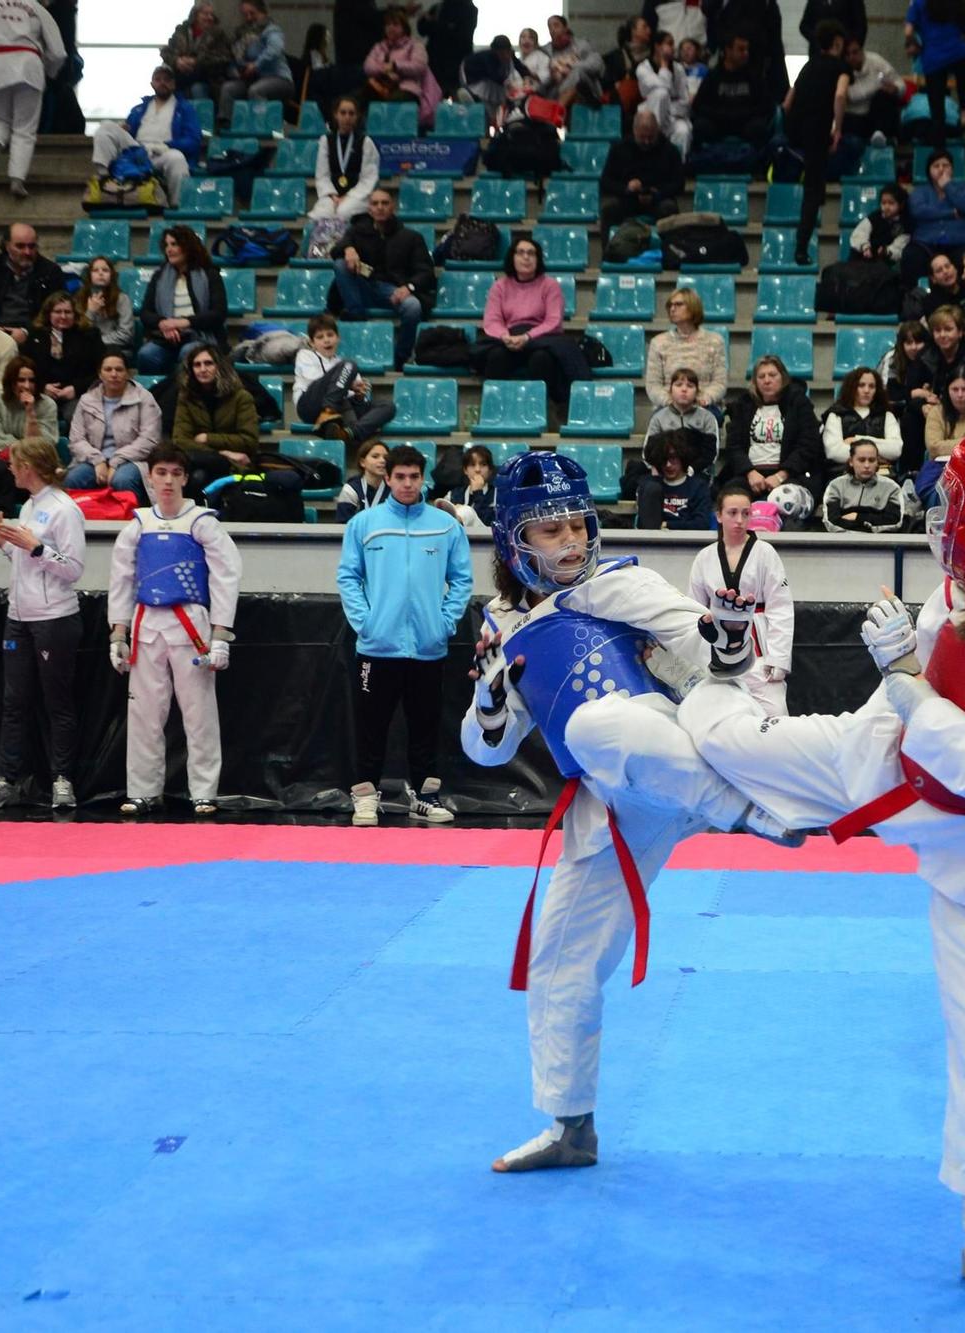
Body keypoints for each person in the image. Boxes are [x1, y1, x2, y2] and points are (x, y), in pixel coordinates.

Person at [679, 418, 965, 1313]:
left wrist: (901, 674)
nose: (945, 517)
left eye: (959, 502)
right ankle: (711, 755)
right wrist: (901, 684)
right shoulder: (960, 591)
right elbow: (924, 699)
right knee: (719, 735)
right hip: (883, 761)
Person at [464, 450, 796, 1176]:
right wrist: (490, 700)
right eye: (551, 531)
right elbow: (488, 752)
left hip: (667, 746)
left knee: (593, 726)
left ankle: (753, 810)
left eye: (578, 525)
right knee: (560, 960)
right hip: (614, 798)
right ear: (515, 541)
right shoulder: (503, 624)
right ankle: (570, 1124)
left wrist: (729, 634)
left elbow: (698, 638)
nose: (573, 542)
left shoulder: (621, 583)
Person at [337, 443, 471, 826]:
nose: (408, 484)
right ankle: (364, 795)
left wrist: (443, 623)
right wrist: (366, 622)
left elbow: (461, 580)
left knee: (425, 726)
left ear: (423, 478)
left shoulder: (445, 526)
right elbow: (348, 576)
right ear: (388, 477)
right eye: (400, 477)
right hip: (377, 647)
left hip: (428, 648)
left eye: (414, 477)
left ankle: (425, 797)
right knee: (370, 726)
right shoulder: (364, 524)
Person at [107, 444, 241, 816]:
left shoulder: (201, 522)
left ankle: (204, 792)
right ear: (150, 476)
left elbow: (226, 577)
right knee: (144, 713)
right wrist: (117, 634)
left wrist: (221, 635)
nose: (167, 480)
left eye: (175, 473)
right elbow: (121, 580)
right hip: (146, 621)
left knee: (199, 713)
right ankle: (143, 791)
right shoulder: (137, 525)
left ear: (185, 478)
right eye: (161, 473)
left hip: (191, 624)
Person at [0, 437, 85, 811]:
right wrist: (2, 543)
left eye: (14, 463)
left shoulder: (64, 509)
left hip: (54, 620)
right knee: (14, 702)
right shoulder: (31, 505)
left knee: (57, 703)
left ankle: (62, 780)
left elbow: (73, 569)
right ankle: (5, 779)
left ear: (29, 466)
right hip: (19, 617)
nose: (9, 470)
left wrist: (36, 547)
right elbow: (27, 561)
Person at [688, 482, 795, 715]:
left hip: (760, 652)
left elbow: (781, 608)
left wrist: (778, 658)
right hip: (717, 650)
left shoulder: (765, 552)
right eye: (732, 513)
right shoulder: (704, 557)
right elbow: (694, 611)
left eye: (746, 513)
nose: (739, 520)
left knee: (776, 715)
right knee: (716, 715)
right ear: (718, 516)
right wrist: (694, 661)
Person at [0, 0, 65, 198]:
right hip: (29, 65)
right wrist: (49, 72)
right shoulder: (37, 9)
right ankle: (17, 180)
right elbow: (58, 52)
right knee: (24, 128)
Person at [332, 187, 434, 366]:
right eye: (375, 203)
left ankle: (400, 358)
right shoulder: (357, 231)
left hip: (394, 291)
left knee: (413, 307)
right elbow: (336, 250)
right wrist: (348, 248)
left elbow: (426, 272)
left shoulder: (411, 237)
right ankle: (356, 317)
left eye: (385, 203)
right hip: (363, 287)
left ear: (393, 207)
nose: (380, 207)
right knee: (340, 264)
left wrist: (408, 287)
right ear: (369, 209)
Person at [720, 355, 824, 519]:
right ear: (755, 381)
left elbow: (808, 444)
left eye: (772, 375)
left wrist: (781, 475)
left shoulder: (798, 403)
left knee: (785, 499)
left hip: (790, 475)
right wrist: (750, 473)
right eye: (761, 377)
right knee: (730, 500)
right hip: (750, 474)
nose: (767, 381)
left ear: (783, 377)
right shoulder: (744, 405)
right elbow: (734, 446)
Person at [785, 22, 852, 267]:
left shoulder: (808, 65)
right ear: (837, 43)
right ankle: (801, 249)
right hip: (818, 129)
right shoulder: (841, 67)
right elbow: (840, 95)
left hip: (798, 130)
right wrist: (838, 128)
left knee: (815, 179)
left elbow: (788, 102)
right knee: (812, 191)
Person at [479, 233, 571, 408]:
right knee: (496, 357)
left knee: (541, 359)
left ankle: (539, 411)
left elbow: (553, 321)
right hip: (509, 339)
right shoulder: (500, 286)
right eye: (520, 252)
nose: (526, 257)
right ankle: (495, 410)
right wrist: (505, 336)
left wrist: (527, 337)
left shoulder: (550, 285)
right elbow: (492, 320)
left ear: (538, 259)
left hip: (541, 340)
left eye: (531, 253)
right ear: (512, 257)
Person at [90, 66, 199, 206]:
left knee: (177, 158)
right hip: (137, 150)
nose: (162, 83)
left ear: (173, 84)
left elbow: (193, 140)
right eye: (158, 79)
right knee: (106, 127)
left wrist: (168, 145)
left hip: (164, 152)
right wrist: (123, 129)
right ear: (152, 84)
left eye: (167, 80)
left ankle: (177, 205)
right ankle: (105, 176)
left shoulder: (185, 108)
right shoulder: (138, 109)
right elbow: (128, 132)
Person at [65, 352, 160, 501]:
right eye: (108, 370)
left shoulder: (144, 398)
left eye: (119, 369)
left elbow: (150, 440)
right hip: (94, 460)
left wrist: (116, 461)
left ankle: (132, 521)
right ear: (100, 374)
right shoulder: (87, 400)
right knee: (73, 479)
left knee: (122, 480)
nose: (114, 374)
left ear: (128, 373)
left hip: (133, 460)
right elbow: (76, 440)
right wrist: (98, 461)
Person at [137, 225, 228, 375]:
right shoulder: (159, 276)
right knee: (146, 355)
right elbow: (146, 313)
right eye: (166, 245)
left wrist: (183, 322)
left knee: (189, 352)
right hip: (166, 338)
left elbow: (218, 313)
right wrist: (163, 323)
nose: (169, 249)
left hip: (199, 336)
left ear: (187, 247)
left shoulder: (210, 274)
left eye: (174, 244)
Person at [294, 313, 395, 444]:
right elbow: (316, 383)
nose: (326, 340)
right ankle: (328, 412)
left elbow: (354, 396)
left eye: (330, 335)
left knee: (388, 406)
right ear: (312, 343)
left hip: (341, 407)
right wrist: (349, 386)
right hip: (310, 406)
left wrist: (359, 395)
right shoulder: (305, 355)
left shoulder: (342, 364)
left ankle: (349, 433)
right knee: (349, 365)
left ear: (338, 338)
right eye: (320, 337)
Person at [173, 345, 262, 490]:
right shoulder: (186, 397)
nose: (202, 369)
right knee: (194, 476)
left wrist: (207, 438)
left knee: (198, 477)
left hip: (237, 466)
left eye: (208, 363)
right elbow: (180, 441)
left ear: (219, 366)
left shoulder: (241, 397)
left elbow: (249, 441)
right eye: (197, 365)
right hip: (209, 461)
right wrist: (222, 454)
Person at [0, 223, 66, 348]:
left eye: (32, 246)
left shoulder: (51, 272)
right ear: (7, 246)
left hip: (36, 337)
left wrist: (27, 332)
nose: (27, 252)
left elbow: (56, 313)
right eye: (20, 246)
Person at [689, 33, 774, 172]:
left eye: (747, 49)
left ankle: (758, 168)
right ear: (728, 51)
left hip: (745, 124)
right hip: (718, 125)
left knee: (759, 128)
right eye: (741, 49)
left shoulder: (754, 76)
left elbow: (766, 106)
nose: (745, 54)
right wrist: (722, 115)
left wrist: (742, 115)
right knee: (700, 127)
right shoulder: (714, 76)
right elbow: (699, 105)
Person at [599, 106, 686, 231]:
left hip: (658, 200)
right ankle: (610, 249)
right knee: (608, 209)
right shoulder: (619, 149)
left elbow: (679, 183)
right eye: (642, 137)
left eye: (651, 137)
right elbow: (606, 181)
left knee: (669, 209)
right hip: (628, 199)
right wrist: (626, 188)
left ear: (657, 131)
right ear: (634, 131)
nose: (646, 142)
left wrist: (658, 192)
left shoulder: (669, 150)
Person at [904, 0, 965, 146]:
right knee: (963, 78)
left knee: (937, 110)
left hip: (933, 57)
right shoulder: (958, 4)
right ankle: (964, 112)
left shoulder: (919, 3)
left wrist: (917, 45)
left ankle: (939, 149)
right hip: (957, 53)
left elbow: (908, 31)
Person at [905, 148, 965, 282]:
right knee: (912, 255)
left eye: (946, 165)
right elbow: (918, 211)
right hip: (926, 242)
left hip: (961, 241)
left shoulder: (964, 188)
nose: (941, 169)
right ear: (929, 170)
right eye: (936, 166)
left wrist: (947, 186)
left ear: (952, 169)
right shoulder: (920, 191)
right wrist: (951, 213)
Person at [363, 6, 441, 131]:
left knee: (393, 104)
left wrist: (395, 66)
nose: (391, 28)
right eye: (388, 24)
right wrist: (386, 70)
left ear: (404, 27)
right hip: (381, 87)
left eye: (395, 24)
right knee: (355, 99)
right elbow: (368, 66)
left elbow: (419, 66)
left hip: (407, 89)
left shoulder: (415, 45)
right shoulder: (379, 46)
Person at [310, 94, 380, 222]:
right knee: (321, 213)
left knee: (344, 211)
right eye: (343, 113)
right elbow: (322, 175)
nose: (347, 117)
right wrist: (333, 196)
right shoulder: (326, 141)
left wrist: (347, 196)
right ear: (336, 115)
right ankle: (324, 243)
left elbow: (369, 178)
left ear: (357, 116)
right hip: (332, 195)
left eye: (351, 113)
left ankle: (344, 242)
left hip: (357, 196)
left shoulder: (365, 142)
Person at [27, 292, 101, 406]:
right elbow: (26, 368)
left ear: (75, 314)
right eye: (57, 312)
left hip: (78, 396)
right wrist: (42, 386)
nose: (63, 316)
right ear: (49, 314)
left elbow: (100, 371)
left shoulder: (89, 335)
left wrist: (76, 389)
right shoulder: (35, 334)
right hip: (42, 394)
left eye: (68, 312)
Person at [645, 365, 720, 475]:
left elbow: (712, 454)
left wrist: (692, 469)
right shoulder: (658, 418)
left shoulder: (707, 418)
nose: (684, 389)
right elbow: (647, 452)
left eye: (690, 386)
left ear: (697, 392)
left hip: (697, 473)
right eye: (678, 385)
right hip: (664, 472)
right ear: (670, 390)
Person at [823, 366, 902, 470]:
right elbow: (834, 452)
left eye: (871, 386)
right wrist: (875, 457)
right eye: (861, 385)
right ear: (851, 387)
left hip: (881, 474)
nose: (866, 390)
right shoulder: (836, 414)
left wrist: (857, 440)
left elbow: (895, 450)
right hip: (843, 473)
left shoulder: (887, 415)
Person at [635, 430, 713, 530]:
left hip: (689, 542)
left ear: (682, 457)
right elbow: (645, 525)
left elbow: (702, 524)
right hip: (655, 542)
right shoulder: (649, 486)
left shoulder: (698, 487)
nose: (668, 465)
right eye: (663, 459)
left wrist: (668, 525)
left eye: (673, 458)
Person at [823, 438, 905, 533]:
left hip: (879, 544)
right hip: (842, 543)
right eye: (861, 460)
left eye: (872, 460)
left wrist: (857, 517)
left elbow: (894, 522)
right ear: (851, 461)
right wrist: (867, 525)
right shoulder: (836, 486)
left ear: (877, 462)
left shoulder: (891, 488)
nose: (867, 465)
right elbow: (831, 522)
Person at [0, 356, 58, 454]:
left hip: (37, 462)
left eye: (31, 381)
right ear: (11, 382)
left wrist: (30, 413)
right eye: (21, 380)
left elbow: (44, 445)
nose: (27, 386)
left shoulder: (48, 405)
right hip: (3, 457)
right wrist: (25, 449)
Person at [635, 28, 693, 157]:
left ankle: (678, 167)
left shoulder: (679, 69)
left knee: (683, 131)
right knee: (660, 93)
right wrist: (664, 64)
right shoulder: (643, 68)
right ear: (657, 46)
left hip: (672, 117)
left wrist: (668, 109)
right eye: (669, 43)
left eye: (673, 44)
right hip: (649, 117)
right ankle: (652, 150)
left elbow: (685, 102)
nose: (673, 47)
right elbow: (664, 88)